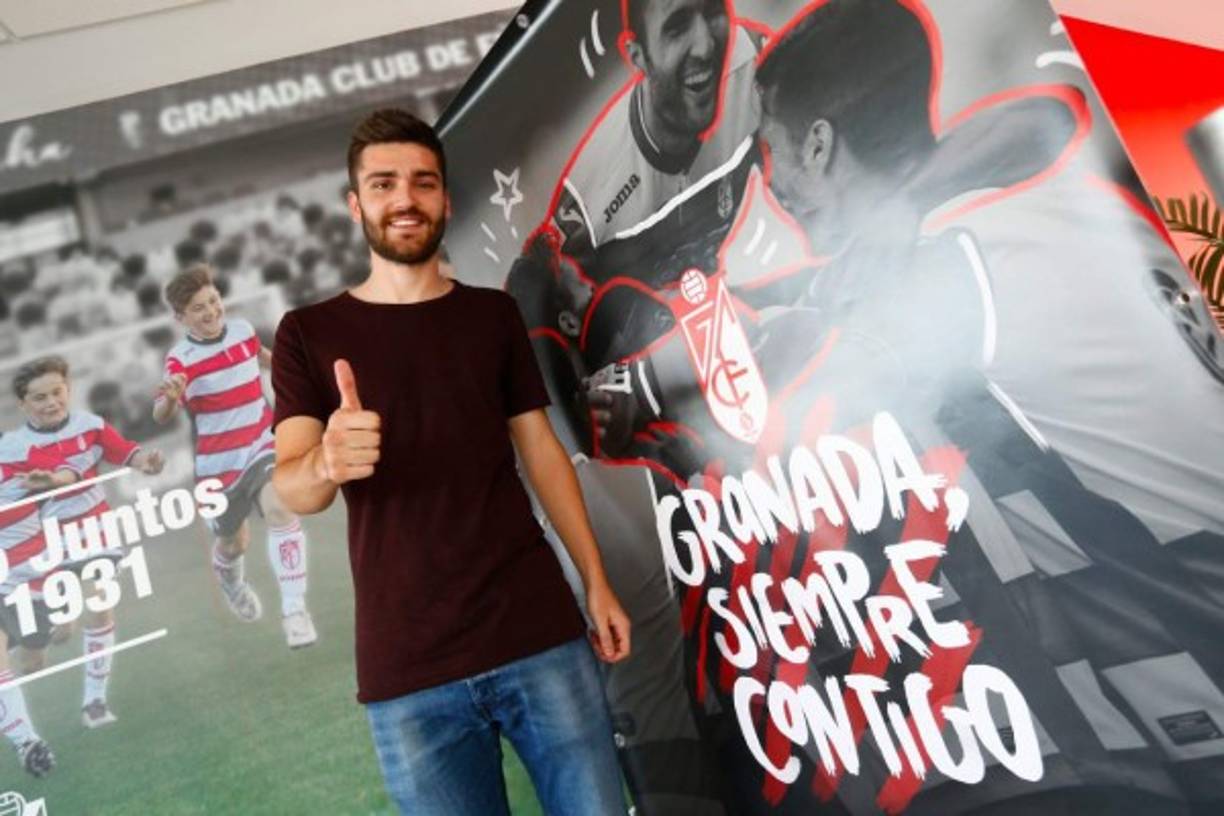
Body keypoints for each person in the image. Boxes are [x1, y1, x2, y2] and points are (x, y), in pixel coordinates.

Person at [270, 108, 632, 815]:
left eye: (423, 182)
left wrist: (596, 581)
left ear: (445, 200)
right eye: (383, 184)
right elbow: (296, 489)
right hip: (409, 672)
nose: (404, 199)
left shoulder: (492, 315)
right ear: (356, 205)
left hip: (538, 635)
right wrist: (327, 462)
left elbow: (541, 452)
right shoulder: (307, 334)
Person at [153, 263, 317, 648]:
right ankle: (232, 583)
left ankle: (295, 612)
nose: (211, 311)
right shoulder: (180, 359)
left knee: (281, 508)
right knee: (234, 543)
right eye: (198, 308)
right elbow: (160, 414)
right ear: (180, 318)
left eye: (213, 301)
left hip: (261, 445)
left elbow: (263, 357)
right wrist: (170, 399)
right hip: (217, 467)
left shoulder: (242, 330)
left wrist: (301, 369)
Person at [3, 355, 165, 729]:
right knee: (51, 641)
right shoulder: (12, 447)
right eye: (39, 397)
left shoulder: (89, 426)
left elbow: (126, 452)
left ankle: (94, 701)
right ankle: (28, 670)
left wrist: (146, 461)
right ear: (23, 405)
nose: (51, 402)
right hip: (45, 544)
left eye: (57, 392)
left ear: (68, 389)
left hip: (95, 533)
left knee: (99, 604)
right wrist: (48, 485)